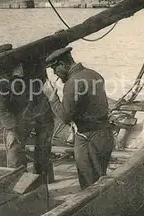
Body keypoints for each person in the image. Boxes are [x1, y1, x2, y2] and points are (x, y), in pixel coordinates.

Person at [42, 47, 114, 189]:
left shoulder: (72, 83)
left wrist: (52, 97)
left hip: (88, 139)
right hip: (105, 134)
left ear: (62, 64)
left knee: (89, 186)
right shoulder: (94, 74)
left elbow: (65, 117)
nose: (55, 74)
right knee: (100, 178)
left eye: (55, 69)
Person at [0, 44, 55, 181]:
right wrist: (11, 129)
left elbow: (44, 83)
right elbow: (2, 107)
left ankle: (43, 181)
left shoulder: (33, 63)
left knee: (44, 148)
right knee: (14, 150)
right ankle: (17, 182)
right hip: (19, 117)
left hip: (41, 110)